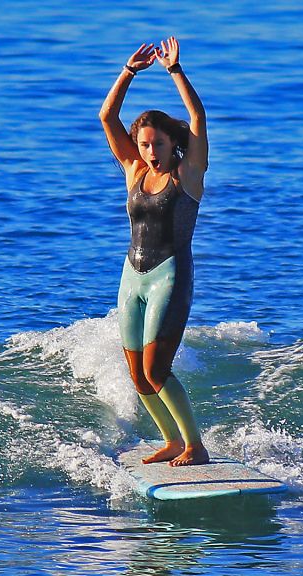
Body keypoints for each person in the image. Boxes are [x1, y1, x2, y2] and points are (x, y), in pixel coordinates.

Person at [99, 37, 210, 467]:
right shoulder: (134, 171)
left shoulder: (189, 174)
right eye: (144, 145)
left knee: (156, 370)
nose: (150, 152)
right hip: (133, 275)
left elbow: (198, 119)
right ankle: (171, 441)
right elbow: (107, 116)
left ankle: (194, 444)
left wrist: (174, 71)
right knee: (137, 377)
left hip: (170, 273)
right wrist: (127, 72)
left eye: (158, 144)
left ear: (171, 143)